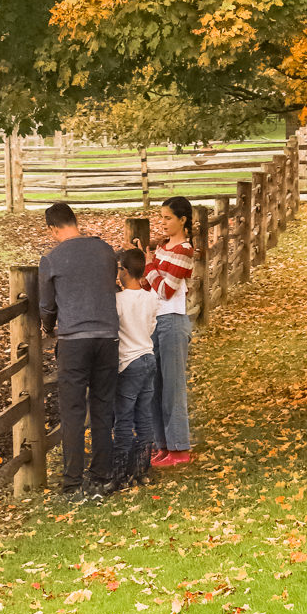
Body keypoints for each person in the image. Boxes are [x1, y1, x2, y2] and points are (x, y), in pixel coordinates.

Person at [38, 201, 119, 502]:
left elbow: (46, 306)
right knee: (102, 406)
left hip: (74, 341)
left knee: (72, 411)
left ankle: (73, 483)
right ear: (75, 221)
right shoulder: (105, 250)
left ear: (52, 228)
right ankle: (103, 476)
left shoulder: (52, 258)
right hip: (108, 336)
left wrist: (48, 328)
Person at [143, 196, 195, 468]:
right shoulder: (163, 248)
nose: (162, 223)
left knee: (173, 388)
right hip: (155, 321)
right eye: (160, 217)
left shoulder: (184, 251)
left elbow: (165, 290)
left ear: (183, 220)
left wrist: (149, 264)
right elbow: (149, 284)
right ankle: (162, 445)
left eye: (168, 218)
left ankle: (180, 449)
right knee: (155, 387)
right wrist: (150, 265)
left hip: (173, 322)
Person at [113, 247, 158, 485]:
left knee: (123, 417)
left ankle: (121, 470)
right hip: (148, 358)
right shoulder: (151, 297)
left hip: (128, 362)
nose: (117, 272)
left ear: (126, 271)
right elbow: (151, 326)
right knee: (144, 416)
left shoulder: (118, 300)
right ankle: (142, 469)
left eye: (119, 268)